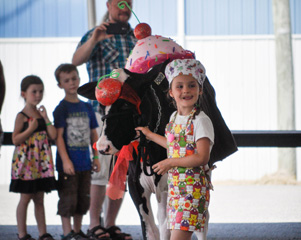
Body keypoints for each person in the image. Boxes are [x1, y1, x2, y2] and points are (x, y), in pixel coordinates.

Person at [72, 0, 136, 239]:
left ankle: (109, 224)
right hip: (101, 112)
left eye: (129, 3)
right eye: (120, 3)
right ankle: (93, 224)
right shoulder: (95, 34)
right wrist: (95, 39)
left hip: (128, 116)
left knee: (121, 170)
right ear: (109, 5)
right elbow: (76, 60)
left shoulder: (137, 38)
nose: (125, 8)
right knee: (100, 172)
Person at [136, 59, 214, 240]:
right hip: (176, 191)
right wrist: (149, 135)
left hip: (192, 192)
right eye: (179, 86)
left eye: (191, 85)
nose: (185, 90)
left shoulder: (201, 121)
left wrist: (170, 162)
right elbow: (175, 147)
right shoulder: (173, 118)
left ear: (200, 90)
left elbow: (202, 157)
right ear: (171, 92)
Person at [53, 64, 100, 240]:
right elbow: (58, 137)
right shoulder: (61, 109)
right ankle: (67, 232)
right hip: (68, 165)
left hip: (85, 163)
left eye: (74, 78)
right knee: (68, 199)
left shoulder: (87, 107)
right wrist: (65, 161)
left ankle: (78, 230)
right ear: (60, 85)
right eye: (66, 80)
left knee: (82, 199)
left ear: (79, 79)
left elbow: (93, 134)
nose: (71, 83)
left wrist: (95, 157)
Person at [10, 75, 57, 240]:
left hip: (41, 163)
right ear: (24, 94)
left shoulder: (41, 114)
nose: (38, 95)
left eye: (41, 91)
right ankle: (22, 233)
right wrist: (30, 129)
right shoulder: (21, 116)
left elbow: (53, 135)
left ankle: (43, 233)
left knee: (39, 197)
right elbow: (15, 139)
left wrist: (46, 118)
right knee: (25, 198)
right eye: (34, 92)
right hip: (26, 163)